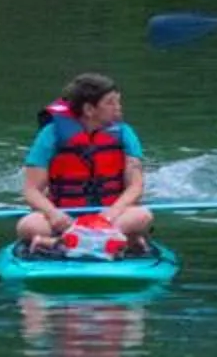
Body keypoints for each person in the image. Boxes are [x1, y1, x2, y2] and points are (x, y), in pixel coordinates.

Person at [19, 72, 152, 256]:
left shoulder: (125, 133)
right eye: (110, 103)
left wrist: (110, 214)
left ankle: (61, 244)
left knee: (142, 216)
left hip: (112, 216)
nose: (118, 108)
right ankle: (117, 242)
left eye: (118, 102)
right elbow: (31, 190)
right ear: (89, 109)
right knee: (29, 224)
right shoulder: (51, 134)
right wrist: (53, 214)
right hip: (65, 217)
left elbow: (135, 186)